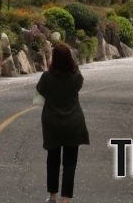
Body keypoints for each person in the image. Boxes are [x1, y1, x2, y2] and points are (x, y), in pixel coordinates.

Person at [36, 42, 89, 203]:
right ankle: (65, 198)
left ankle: (52, 196)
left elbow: (40, 90)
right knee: (70, 162)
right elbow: (79, 83)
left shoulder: (47, 77)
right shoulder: (75, 76)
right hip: (73, 121)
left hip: (52, 123)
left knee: (52, 160)